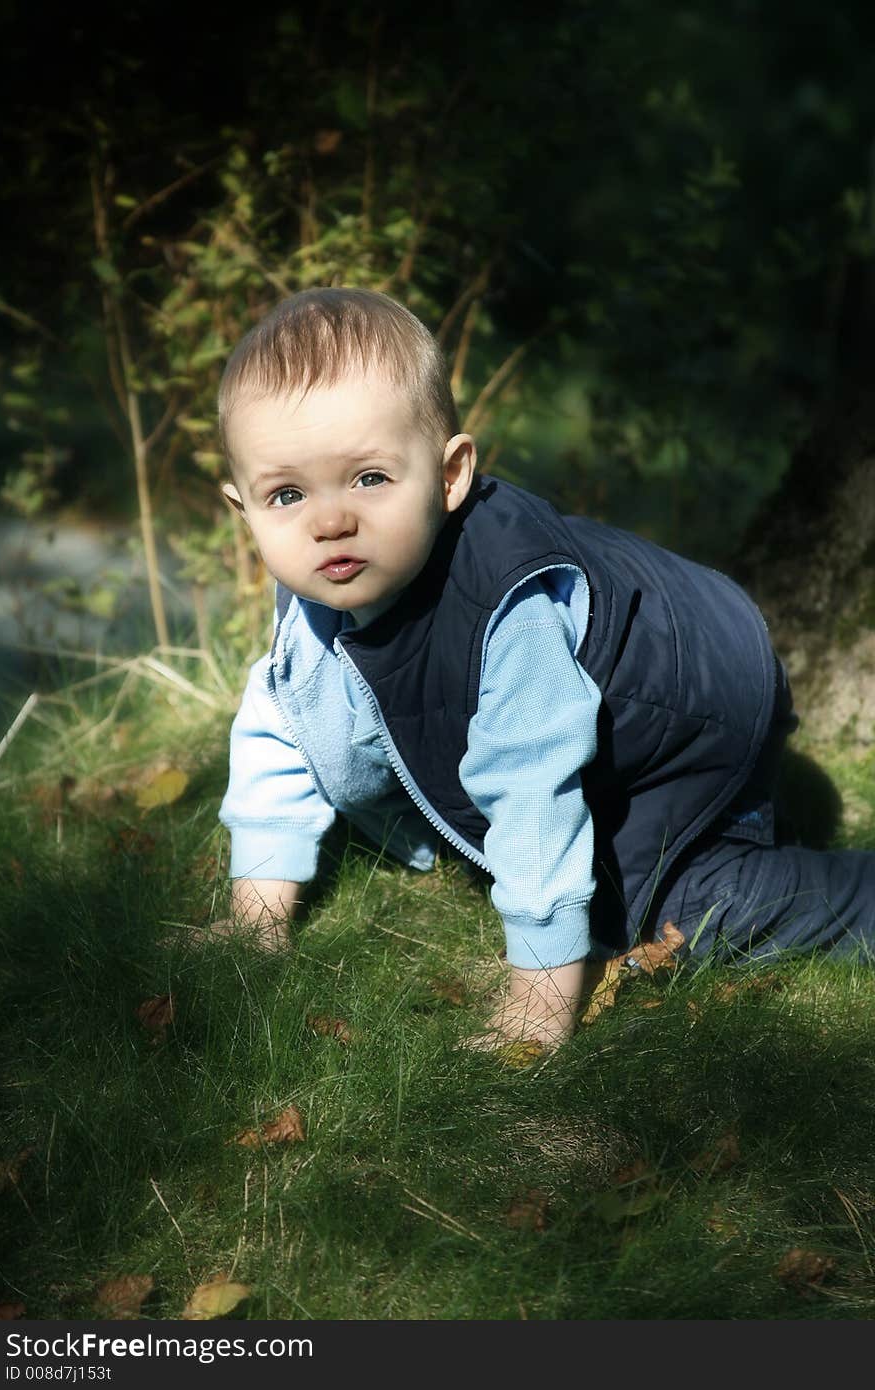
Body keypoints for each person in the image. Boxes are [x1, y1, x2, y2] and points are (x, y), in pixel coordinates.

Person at [216, 287, 874, 1048]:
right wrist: (255, 925)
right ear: (246, 509)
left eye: (369, 478)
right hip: (645, 687)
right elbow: (283, 731)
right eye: (287, 494)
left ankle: (811, 878)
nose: (329, 519)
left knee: (656, 913)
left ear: (452, 472)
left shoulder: (506, 606)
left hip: (700, 714)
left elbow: (533, 797)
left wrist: (539, 1000)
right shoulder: (322, 581)